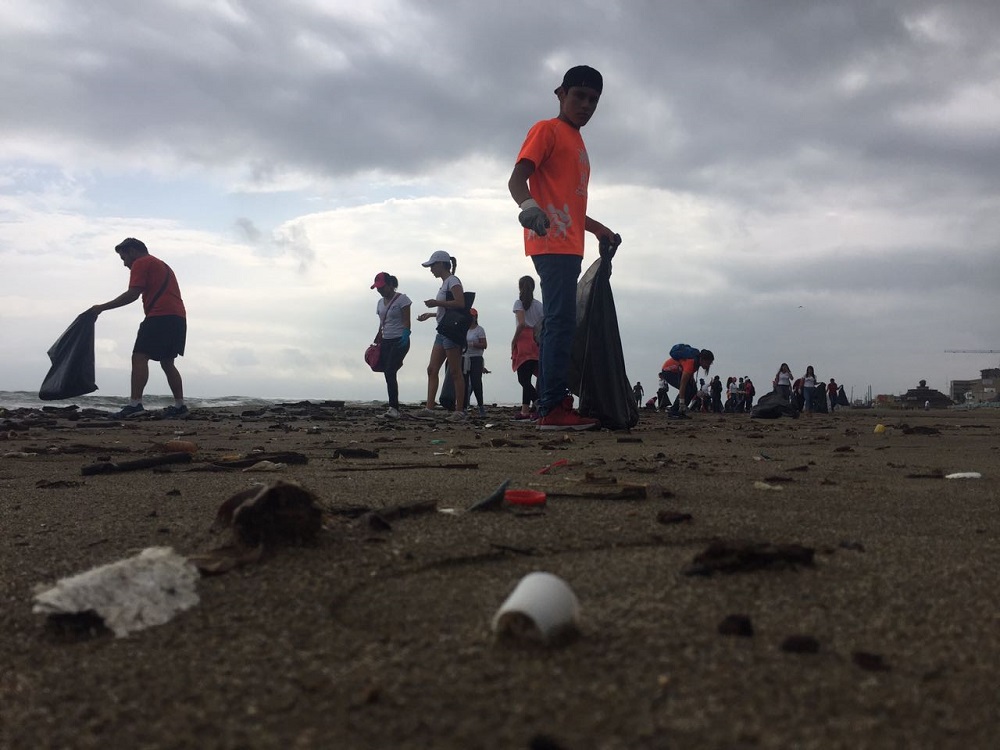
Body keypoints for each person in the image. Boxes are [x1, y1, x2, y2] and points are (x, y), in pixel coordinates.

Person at [508, 64, 620, 431]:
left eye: (593, 100)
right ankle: (552, 406)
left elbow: (573, 207)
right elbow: (517, 179)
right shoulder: (547, 130)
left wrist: (599, 228)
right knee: (560, 320)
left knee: (563, 320)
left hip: (571, 244)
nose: (586, 105)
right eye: (579, 96)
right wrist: (529, 209)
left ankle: (552, 400)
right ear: (561, 94)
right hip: (550, 241)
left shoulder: (579, 143)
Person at [87, 238, 188, 418]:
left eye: (124, 258)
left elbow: (132, 294)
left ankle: (135, 404)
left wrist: (101, 307)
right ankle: (180, 405)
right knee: (167, 362)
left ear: (133, 251)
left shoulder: (141, 263)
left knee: (139, 357)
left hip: (160, 316)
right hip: (178, 318)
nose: (125, 264)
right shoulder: (160, 264)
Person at [415, 251, 468, 421]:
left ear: (441, 264)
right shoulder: (446, 282)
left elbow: (460, 303)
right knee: (432, 369)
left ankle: (459, 411)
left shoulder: (452, 281)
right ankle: (429, 408)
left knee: (454, 371)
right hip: (443, 330)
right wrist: (431, 314)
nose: (431, 269)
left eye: (432, 265)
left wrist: (436, 303)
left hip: (451, 332)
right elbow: (448, 308)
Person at [370, 272, 411, 419]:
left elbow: (407, 320)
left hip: (399, 340)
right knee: (388, 373)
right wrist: (377, 340)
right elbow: (382, 323)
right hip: (385, 340)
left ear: (390, 285)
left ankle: (394, 409)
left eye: (382, 287)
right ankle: (393, 408)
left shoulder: (403, 299)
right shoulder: (380, 303)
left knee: (390, 371)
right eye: (377, 288)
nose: (379, 290)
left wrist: (406, 335)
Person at [511, 275, 542, 420]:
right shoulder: (539, 305)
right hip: (536, 340)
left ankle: (539, 404)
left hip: (524, 341)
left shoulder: (519, 303)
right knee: (529, 377)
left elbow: (522, 323)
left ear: (520, 287)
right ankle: (525, 410)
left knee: (523, 379)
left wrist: (514, 341)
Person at [660, 346, 714, 418]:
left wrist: (693, 383)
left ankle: (681, 411)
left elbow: (689, 374)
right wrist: (682, 402)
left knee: (693, 389)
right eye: (708, 363)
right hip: (668, 371)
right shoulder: (690, 362)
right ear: (702, 359)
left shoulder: (696, 362)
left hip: (678, 372)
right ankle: (674, 411)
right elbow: (683, 385)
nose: (708, 365)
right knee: (686, 389)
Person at [463, 309, 487, 417]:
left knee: (476, 382)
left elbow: (484, 345)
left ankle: (481, 406)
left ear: (476, 317)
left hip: (476, 358)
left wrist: (472, 344)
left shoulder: (479, 330)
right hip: (464, 358)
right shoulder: (463, 329)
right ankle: (463, 407)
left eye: (472, 316)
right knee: (464, 383)